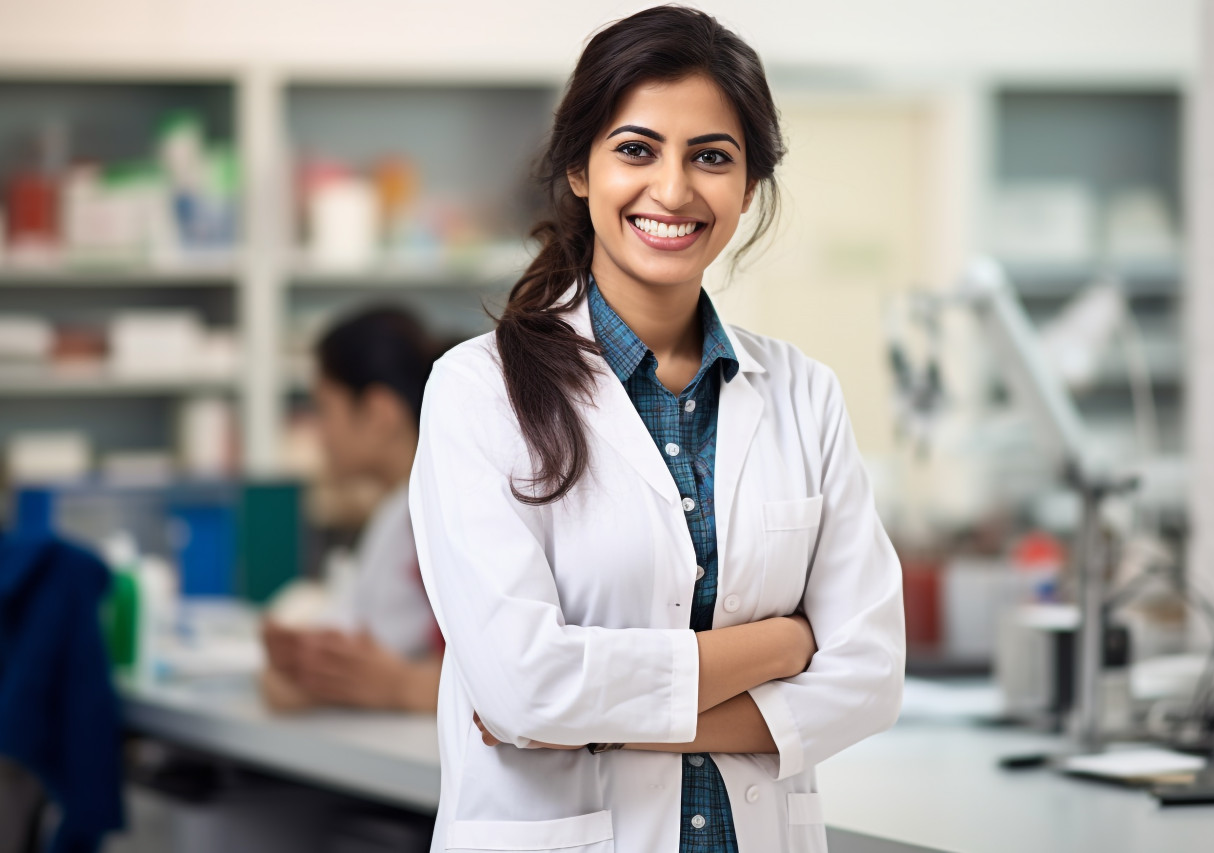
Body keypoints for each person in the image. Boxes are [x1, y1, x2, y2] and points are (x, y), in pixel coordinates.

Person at [408, 7, 905, 852]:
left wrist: (597, 720)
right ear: (578, 167)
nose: (672, 191)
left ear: (748, 187)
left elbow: (868, 678)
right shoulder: (475, 391)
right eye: (636, 149)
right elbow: (523, 687)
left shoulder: (803, 395)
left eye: (711, 157)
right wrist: (781, 645)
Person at [261, 306, 445, 714]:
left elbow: (509, 677)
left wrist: (404, 686)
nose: (319, 434)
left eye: (324, 408)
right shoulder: (397, 512)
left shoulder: (444, 508)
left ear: (379, 412)